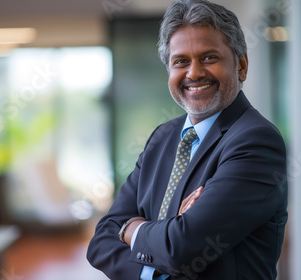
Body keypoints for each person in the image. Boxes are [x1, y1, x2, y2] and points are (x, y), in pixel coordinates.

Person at [87, 0, 288, 279]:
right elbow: (100, 244)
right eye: (181, 61)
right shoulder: (162, 138)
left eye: (209, 58)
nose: (194, 73)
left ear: (240, 66)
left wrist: (131, 229)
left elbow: (183, 247)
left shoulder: (255, 141)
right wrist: (158, 261)